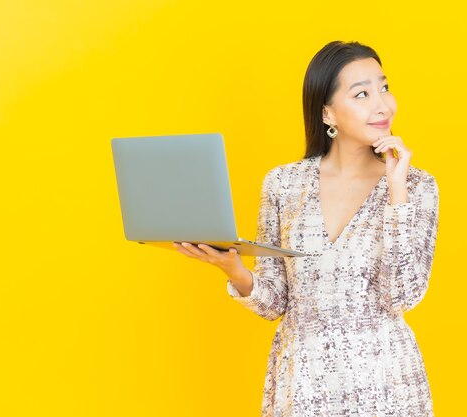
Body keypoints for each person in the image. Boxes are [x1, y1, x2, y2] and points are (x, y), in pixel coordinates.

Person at [174, 40, 440, 417]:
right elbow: (276, 302)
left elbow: (402, 296)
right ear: (328, 113)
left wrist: (397, 191)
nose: (382, 104)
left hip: (385, 384)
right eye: (362, 94)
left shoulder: (416, 187)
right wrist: (232, 268)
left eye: (383, 87)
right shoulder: (284, 185)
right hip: (303, 382)